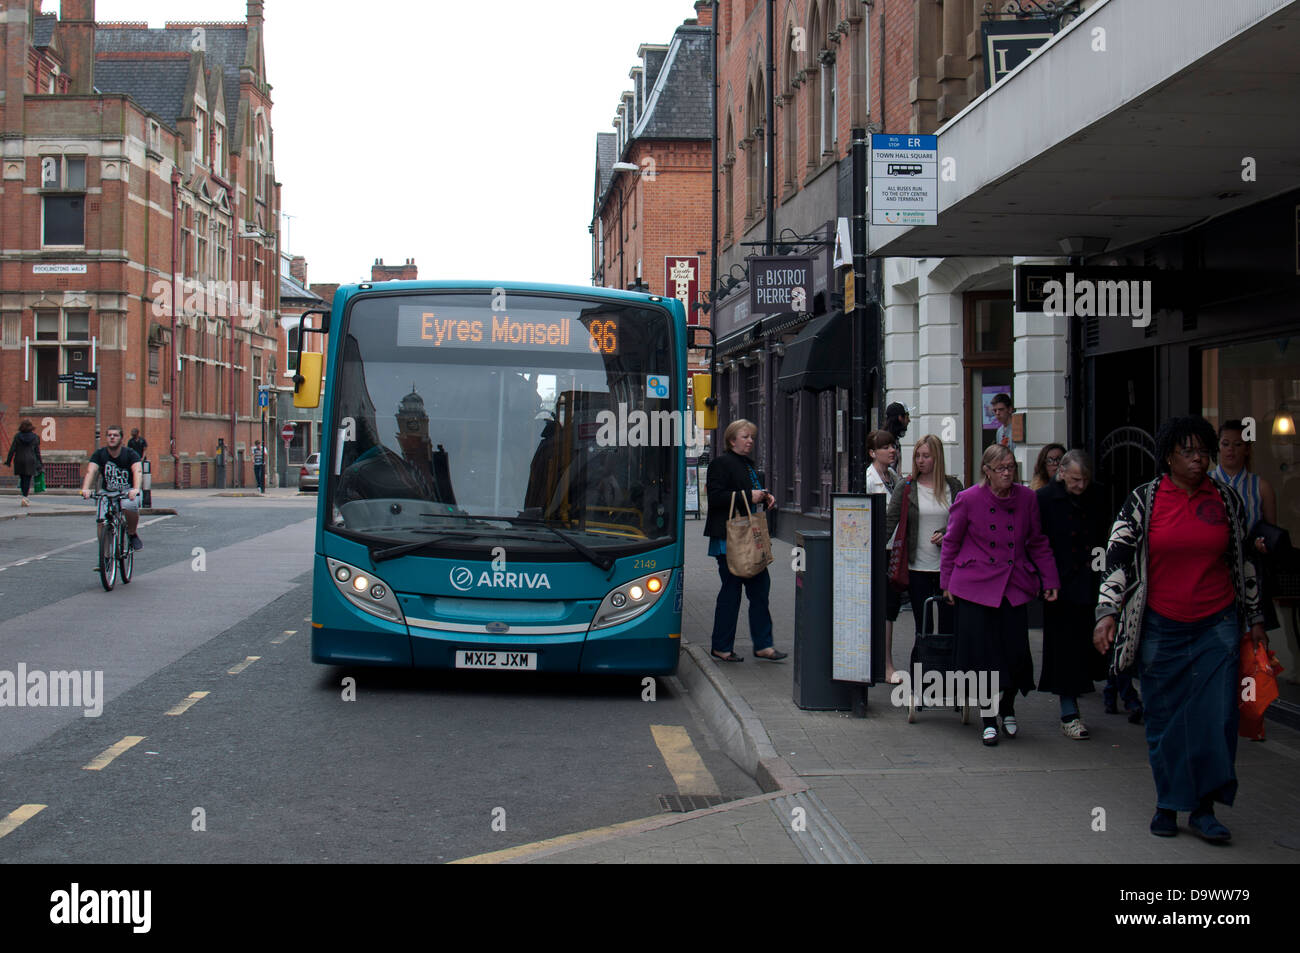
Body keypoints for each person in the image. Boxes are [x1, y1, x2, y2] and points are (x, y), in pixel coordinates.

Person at [1093, 415, 1266, 842]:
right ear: (1168, 455)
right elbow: (1116, 556)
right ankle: (1168, 803)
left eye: (1203, 451)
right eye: (1187, 451)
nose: (1198, 459)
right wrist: (1107, 612)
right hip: (1160, 625)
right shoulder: (1144, 500)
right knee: (1165, 717)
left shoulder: (1225, 500)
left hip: (1217, 625)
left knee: (1215, 718)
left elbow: (1243, 561)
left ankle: (1204, 809)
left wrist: (1256, 616)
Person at [941, 443, 1060, 745]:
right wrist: (947, 582)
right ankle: (988, 716)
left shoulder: (1027, 499)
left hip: (1014, 584)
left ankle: (1008, 706)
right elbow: (952, 542)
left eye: (1011, 468)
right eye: (1001, 468)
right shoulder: (968, 499)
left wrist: (1049, 579)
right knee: (983, 656)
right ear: (987, 471)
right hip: (976, 585)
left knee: (1015, 652)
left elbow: (1037, 542)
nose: (1008, 473)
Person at [1036, 450, 1111, 739]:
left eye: (1085, 480)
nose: (1080, 485)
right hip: (1059, 583)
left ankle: (1112, 693)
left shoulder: (1098, 495)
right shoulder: (1044, 499)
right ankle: (1069, 711)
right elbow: (1038, 541)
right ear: (1062, 472)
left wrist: (1103, 573)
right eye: (1076, 479)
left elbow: (1105, 537)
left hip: (1091, 580)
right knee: (1064, 649)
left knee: (1092, 644)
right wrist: (1046, 578)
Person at [703, 419, 785, 662]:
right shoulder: (720, 464)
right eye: (745, 436)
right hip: (728, 540)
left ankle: (763, 645)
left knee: (760, 591)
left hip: (748, 540)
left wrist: (765, 496)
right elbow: (717, 498)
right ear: (732, 440)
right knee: (731, 593)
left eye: (752, 437)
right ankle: (722, 646)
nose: (750, 441)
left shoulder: (747, 465)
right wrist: (749, 495)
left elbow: (750, 495)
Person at [885, 434, 964, 680]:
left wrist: (945, 533)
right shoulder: (907, 487)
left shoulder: (954, 487)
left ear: (937, 458)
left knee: (950, 627)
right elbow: (890, 522)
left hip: (948, 571)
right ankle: (922, 678)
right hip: (917, 568)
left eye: (926, 456)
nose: (921, 461)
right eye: (917, 456)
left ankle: (949, 678)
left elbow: (963, 523)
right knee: (924, 626)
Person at [1211, 419, 1280, 632]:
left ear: (1247, 449)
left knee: (1251, 644)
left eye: (1238, 444)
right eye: (1225, 444)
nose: (1231, 449)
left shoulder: (1261, 486)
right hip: (1214, 569)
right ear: (1218, 447)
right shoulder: (1206, 483)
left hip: (1250, 570)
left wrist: (1262, 544)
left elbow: (1271, 532)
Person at [866, 429, 904, 677]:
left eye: (893, 446)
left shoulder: (892, 476)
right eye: (885, 447)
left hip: (895, 549)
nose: (892, 450)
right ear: (872, 453)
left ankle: (884, 661)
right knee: (884, 606)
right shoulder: (870, 480)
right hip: (880, 550)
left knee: (890, 607)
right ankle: (885, 664)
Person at [81, 425, 144, 551]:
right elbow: (91, 471)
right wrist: (85, 489)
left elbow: (137, 470)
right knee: (101, 521)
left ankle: (132, 534)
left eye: (115, 435)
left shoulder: (130, 454)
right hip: (107, 492)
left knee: (129, 506)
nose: (112, 438)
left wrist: (136, 489)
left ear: (121, 439)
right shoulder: (100, 454)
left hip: (127, 491)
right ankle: (105, 557)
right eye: (109, 435)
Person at [5, 419, 43, 507]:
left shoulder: (17, 436)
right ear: (31, 427)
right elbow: (37, 452)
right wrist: (40, 463)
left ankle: (24, 496)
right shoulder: (35, 437)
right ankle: (25, 497)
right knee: (27, 479)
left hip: (19, 460)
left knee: (22, 478)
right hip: (30, 460)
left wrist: (8, 461)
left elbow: (12, 450)